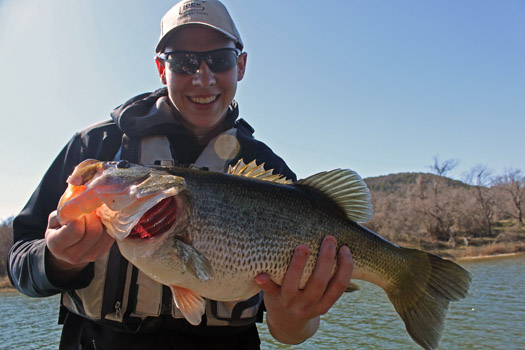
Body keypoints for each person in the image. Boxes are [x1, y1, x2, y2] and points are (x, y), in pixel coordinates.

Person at [7, 1, 354, 349]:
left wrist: (293, 319)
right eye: (184, 62)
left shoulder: (268, 170)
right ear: (161, 68)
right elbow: (19, 263)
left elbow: (292, 332)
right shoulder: (95, 147)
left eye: (219, 60)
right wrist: (58, 260)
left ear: (241, 65)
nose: (203, 77)